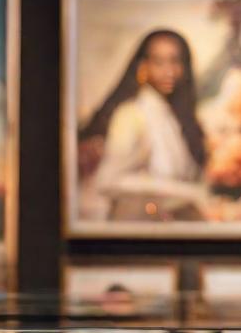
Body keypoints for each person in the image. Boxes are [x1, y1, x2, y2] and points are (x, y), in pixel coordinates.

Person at [78, 29, 210, 222]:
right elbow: (108, 180)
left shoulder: (173, 116)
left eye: (175, 61)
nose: (169, 71)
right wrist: (187, 192)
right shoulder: (131, 114)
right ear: (143, 66)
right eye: (159, 62)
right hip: (134, 227)